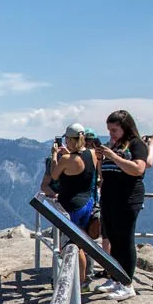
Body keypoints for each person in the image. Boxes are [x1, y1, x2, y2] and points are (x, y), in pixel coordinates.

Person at [94, 110, 153, 300]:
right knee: (112, 238)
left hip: (128, 198)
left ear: (125, 128)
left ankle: (127, 283)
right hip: (110, 197)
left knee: (125, 240)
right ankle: (115, 277)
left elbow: (138, 169)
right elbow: (103, 173)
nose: (111, 134)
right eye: (109, 130)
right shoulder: (115, 145)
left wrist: (113, 156)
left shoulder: (136, 144)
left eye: (114, 130)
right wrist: (101, 158)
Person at [46, 123, 100, 291]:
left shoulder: (67, 159)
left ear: (69, 139)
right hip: (88, 203)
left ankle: (79, 283)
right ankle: (83, 282)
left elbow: (54, 175)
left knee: (73, 244)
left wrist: (55, 156)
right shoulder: (92, 154)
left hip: (72, 206)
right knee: (83, 241)